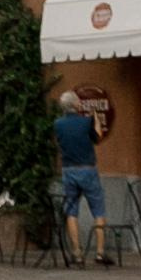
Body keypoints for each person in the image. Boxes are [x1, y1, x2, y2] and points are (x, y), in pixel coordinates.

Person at [53, 89, 108, 265]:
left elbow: (58, 142)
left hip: (69, 170)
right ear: (76, 105)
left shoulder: (58, 124)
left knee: (71, 210)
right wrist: (96, 119)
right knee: (98, 209)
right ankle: (100, 252)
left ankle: (77, 252)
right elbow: (97, 137)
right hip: (87, 169)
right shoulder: (86, 122)